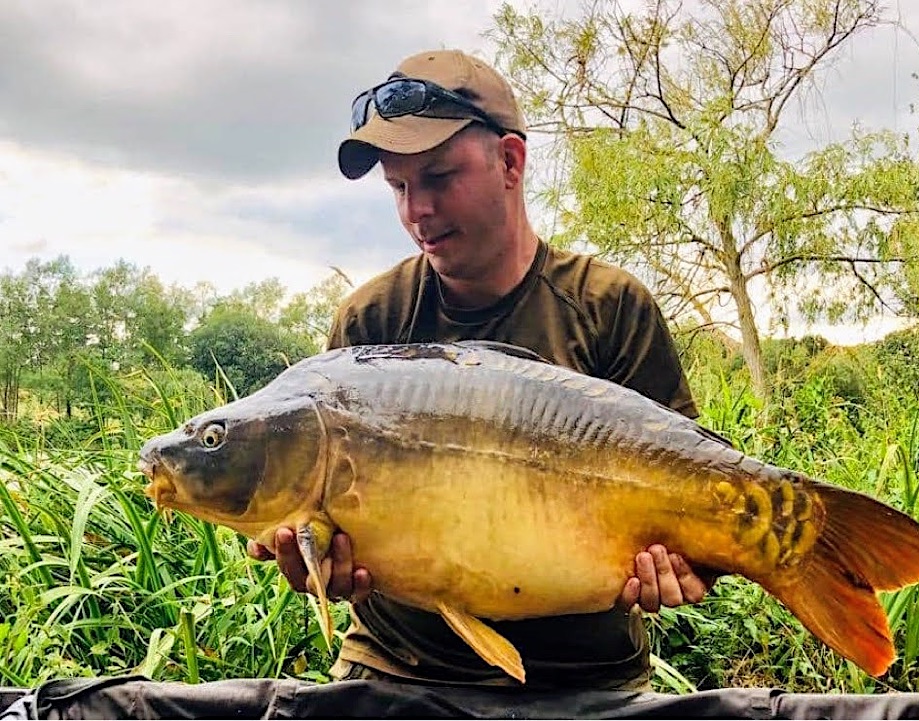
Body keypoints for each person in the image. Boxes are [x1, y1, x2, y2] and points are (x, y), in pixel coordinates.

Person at [248, 48, 717, 692]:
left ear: (510, 162)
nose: (417, 210)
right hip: (396, 665)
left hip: (587, 677)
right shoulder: (370, 323)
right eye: (398, 187)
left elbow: (696, 495)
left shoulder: (608, 307)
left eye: (439, 177)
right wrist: (314, 562)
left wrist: (687, 565)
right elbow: (319, 528)